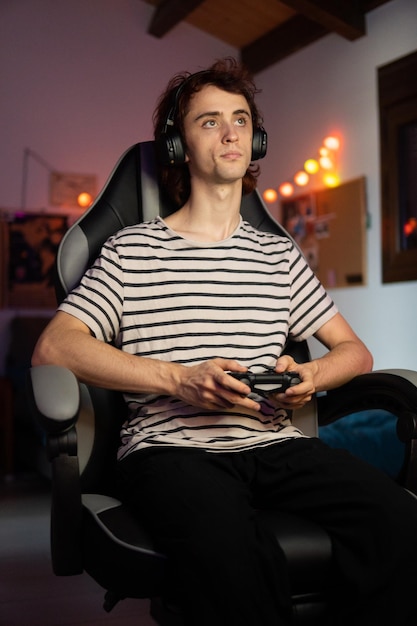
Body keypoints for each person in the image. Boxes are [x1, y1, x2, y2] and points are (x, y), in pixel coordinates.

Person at [32, 57, 417, 626]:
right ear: (178, 147)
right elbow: (54, 348)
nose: (231, 131)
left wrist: (311, 378)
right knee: (234, 555)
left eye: (240, 119)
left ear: (255, 139)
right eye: (209, 121)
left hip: (273, 444)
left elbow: (354, 352)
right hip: (169, 451)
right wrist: (178, 378)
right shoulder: (132, 250)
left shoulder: (277, 253)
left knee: (400, 523)